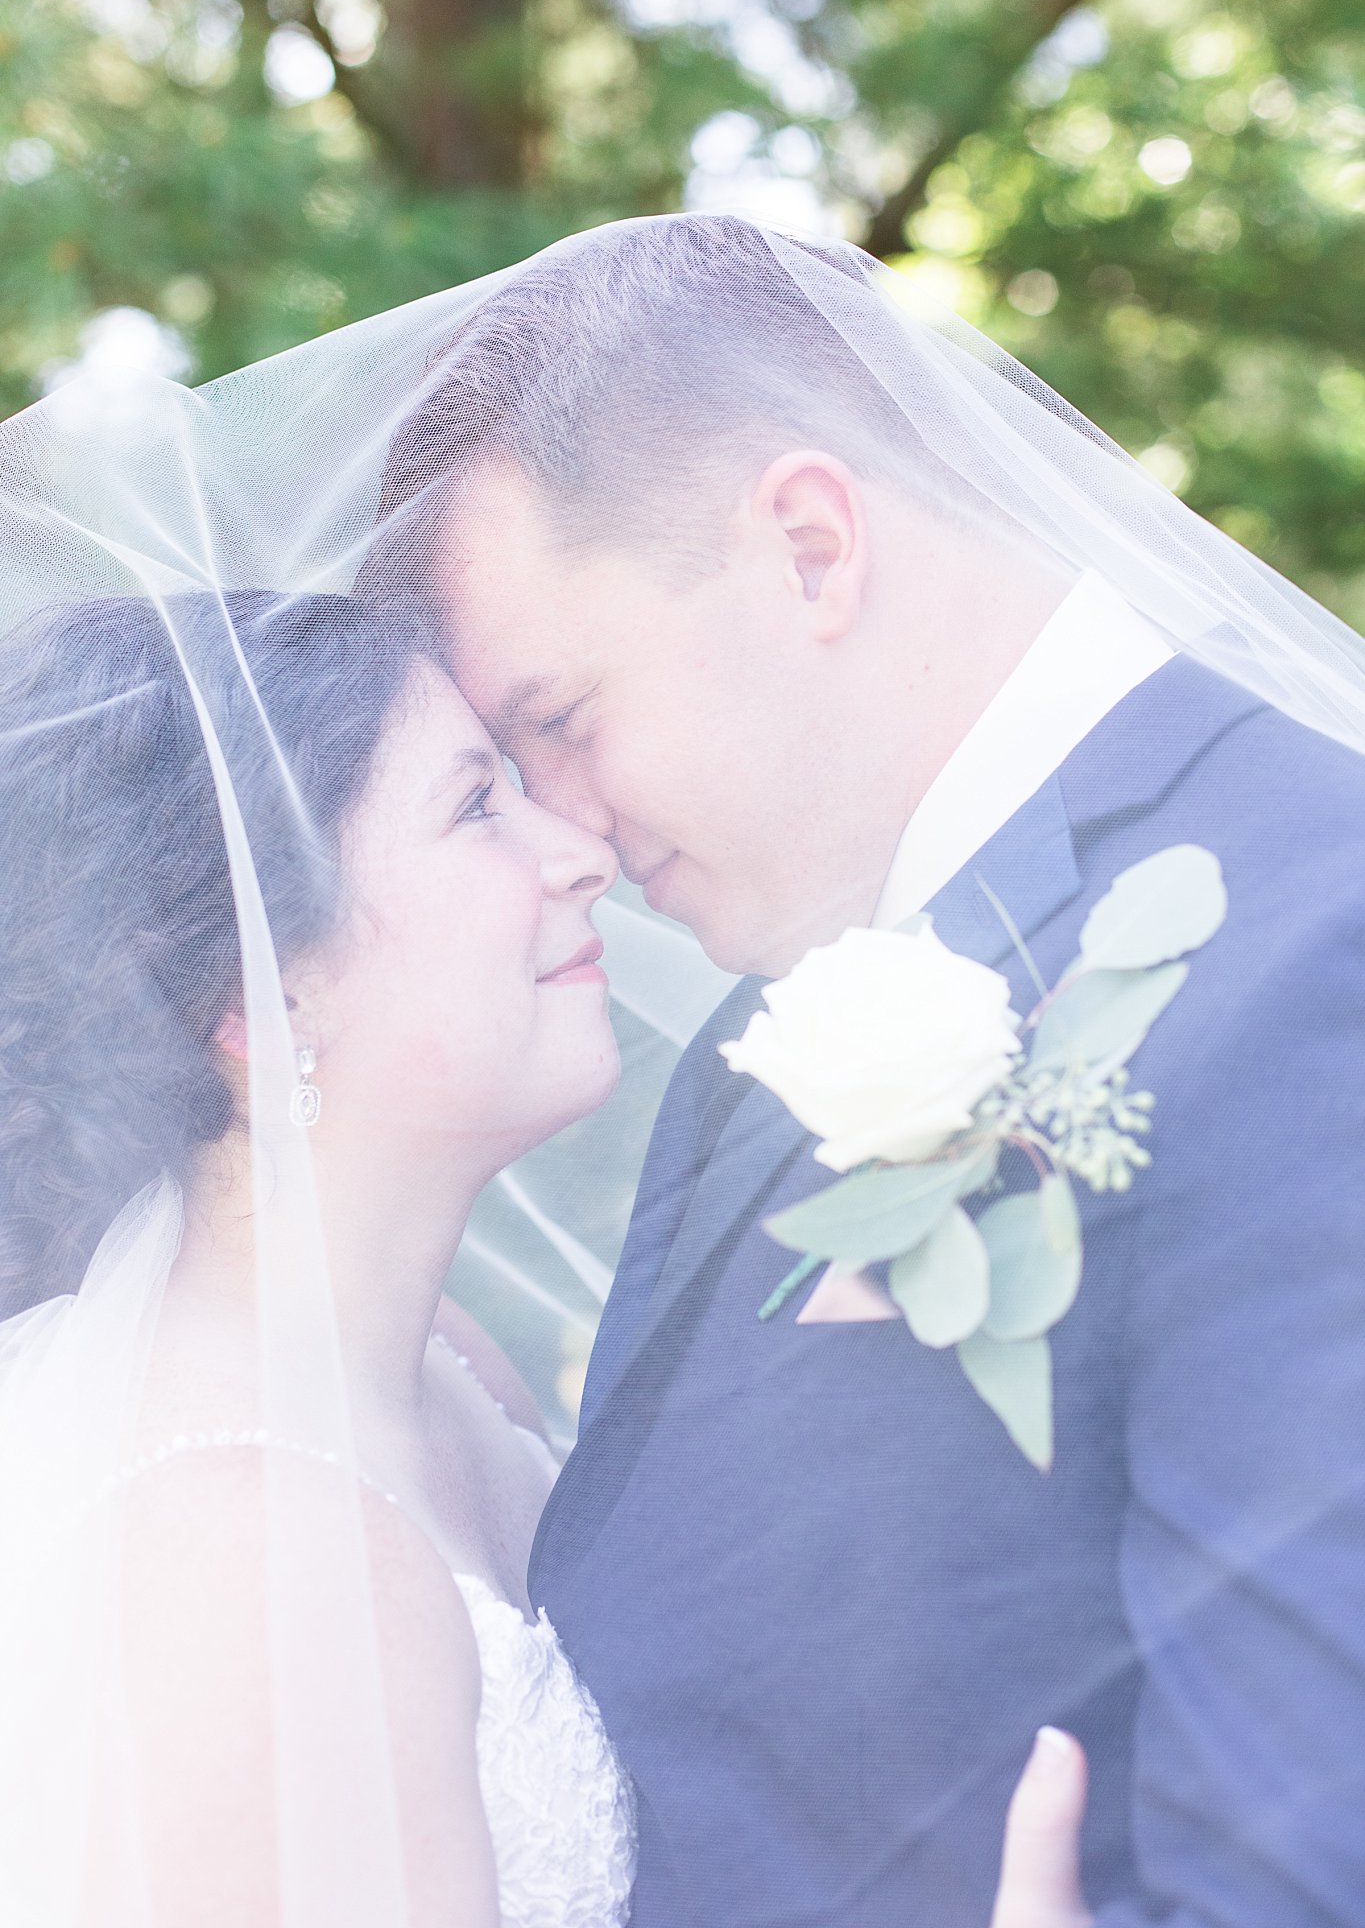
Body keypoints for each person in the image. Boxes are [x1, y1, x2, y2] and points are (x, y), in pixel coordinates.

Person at [360, 213, 1365, 1926]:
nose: (564, 835)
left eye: (562, 721)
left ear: (811, 547)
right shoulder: (758, 1052)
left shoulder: (1311, 948)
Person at [0, 580, 1079, 1927]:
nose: (576, 850)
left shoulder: (455, 1364)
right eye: (474, 806)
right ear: (262, 992)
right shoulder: (247, 1562)